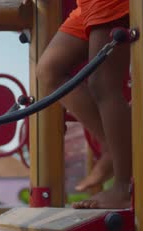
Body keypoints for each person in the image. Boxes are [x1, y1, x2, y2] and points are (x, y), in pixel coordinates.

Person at [36, 0, 131, 209]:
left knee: (103, 83)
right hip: (86, 5)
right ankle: (110, 148)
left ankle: (125, 187)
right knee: (49, 70)